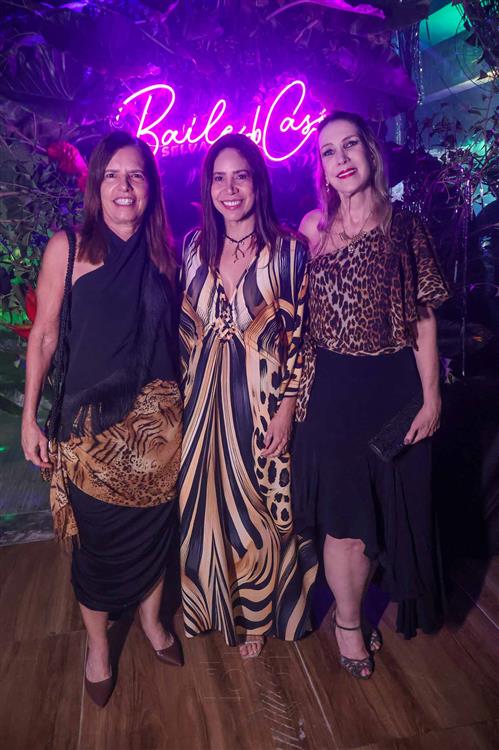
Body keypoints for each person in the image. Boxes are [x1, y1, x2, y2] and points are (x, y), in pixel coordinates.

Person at [21, 131, 183, 707]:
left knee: (155, 536)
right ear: (95, 185)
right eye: (112, 174)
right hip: (89, 437)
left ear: (150, 186)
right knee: (97, 547)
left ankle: (153, 623)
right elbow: (43, 336)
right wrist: (31, 417)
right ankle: (97, 647)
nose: (124, 186)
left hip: (160, 432)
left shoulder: (167, 252)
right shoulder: (67, 248)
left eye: (135, 174)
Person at [292, 112, 449, 679]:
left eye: (350, 145)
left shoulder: (405, 226)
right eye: (328, 151)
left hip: (391, 388)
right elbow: (292, 315)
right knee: (344, 521)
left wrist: (431, 398)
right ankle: (349, 622)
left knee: (385, 513)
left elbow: (423, 318)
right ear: (322, 168)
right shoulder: (313, 227)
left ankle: (358, 606)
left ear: (371, 153)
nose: (341, 159)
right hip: (332, 392)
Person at [179, 133, 316, 658]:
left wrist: (288, 407)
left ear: (258, 182)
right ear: (208, 187)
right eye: (219, 178)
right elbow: (180, 330)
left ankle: (256, 616)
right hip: (199, 401)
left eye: (240, 176)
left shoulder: (288, 251)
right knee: (202, 509)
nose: (230, 189)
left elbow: (302, 338)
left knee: (259, 509)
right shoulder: (193, 247)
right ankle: (211, 607)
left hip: (261, 402)